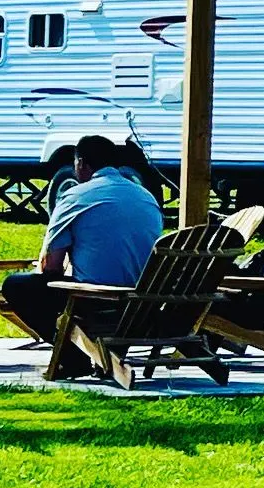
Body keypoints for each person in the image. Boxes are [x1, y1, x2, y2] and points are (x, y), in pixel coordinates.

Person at [14, 137, 166, 371]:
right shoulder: (147, 197)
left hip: (95, 299)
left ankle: (74, 356)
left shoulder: (75, 197)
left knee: (18, 286)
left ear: (82, 163)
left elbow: (51, 266)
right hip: (145, 304)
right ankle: (97, 353)